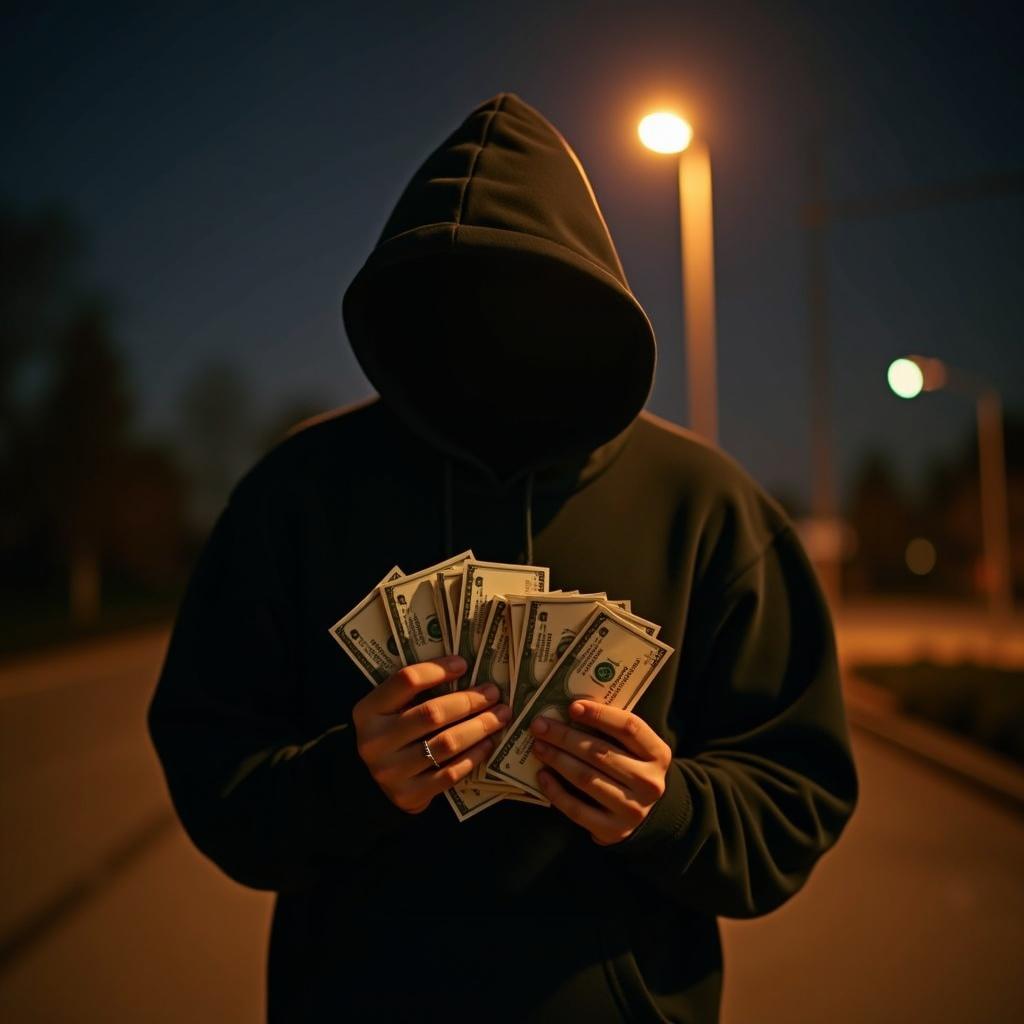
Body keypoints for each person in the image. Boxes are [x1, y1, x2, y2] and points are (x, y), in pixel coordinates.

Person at [147, 91, 859, 1022]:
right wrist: (346, 780)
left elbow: (796, 796)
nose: (499, 336)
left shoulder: (713, 511)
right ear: (403, 309)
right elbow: (214, 769)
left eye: (537, 306)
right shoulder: (295, 496)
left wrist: (670, 808)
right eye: (460, 304)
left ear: (594, 307)